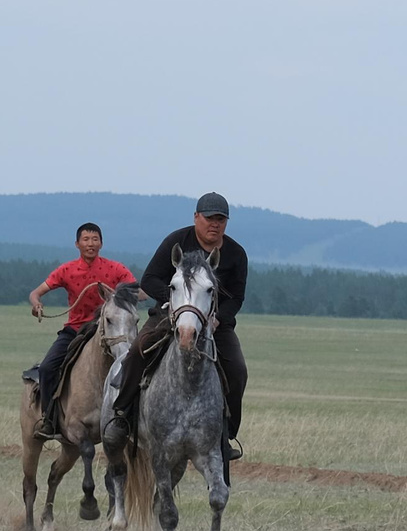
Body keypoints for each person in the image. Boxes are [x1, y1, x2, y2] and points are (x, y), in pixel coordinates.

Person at [111, 192, 249, 464]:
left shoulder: (236, 254)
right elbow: (150, 279)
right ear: (196, 217)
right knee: (138, 350)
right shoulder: (176, 242)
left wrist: (219, 318)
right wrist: (178, 302)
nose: (215, 224)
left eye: (221, 219)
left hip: (214, 323)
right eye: (209, 218)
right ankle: (121, 415)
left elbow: (237, 297)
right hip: (170, 314)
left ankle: (227, 434)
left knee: (237, 370)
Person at [25, 223, 136, 437]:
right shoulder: (67, 270)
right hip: (75, 330)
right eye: (86, 239)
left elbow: (141, 293)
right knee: (47, 368)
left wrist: (119, 294)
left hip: (107, 331)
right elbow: (35, 293)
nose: (90, 244)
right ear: (77, 244)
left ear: (101, 243)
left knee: (136, 365)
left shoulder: (115, 268)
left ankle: (133, 419)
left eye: (95, 239)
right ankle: (49, 420)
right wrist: (36, 304)